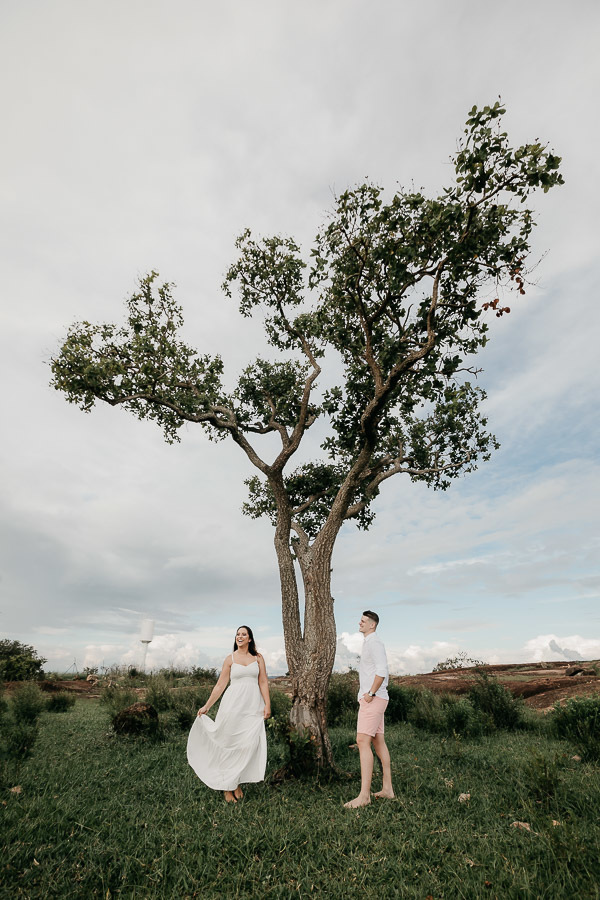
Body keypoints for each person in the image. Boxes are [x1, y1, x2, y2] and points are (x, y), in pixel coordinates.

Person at [187, 625, 271, 803]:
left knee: (246, 744)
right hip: (232, 706)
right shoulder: (230, 659)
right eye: (237, 634)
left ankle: (236, 781)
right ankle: (227, 787)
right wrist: (207, 706)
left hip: (253, 707)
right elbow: (220, 685)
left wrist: (267, 704)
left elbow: (263, 681)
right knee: (229, 742)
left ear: (250, 639)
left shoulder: (258, 658)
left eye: (243, 634)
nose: (240, 636)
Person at [344, 610, 394, 808]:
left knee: (362, 740)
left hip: (374, 699)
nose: (360, 623)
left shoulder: (374, 643)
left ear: (372, 624)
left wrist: (370, 693)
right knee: (378, 741)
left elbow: (382, 671)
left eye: (363, 621)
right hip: (376, 699)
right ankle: (387, 789)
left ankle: (364, 796)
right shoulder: (369, 643)